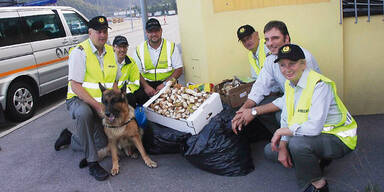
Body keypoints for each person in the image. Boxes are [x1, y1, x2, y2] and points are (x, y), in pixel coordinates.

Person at [264, 44, 357, 192]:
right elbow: (286, 117)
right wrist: (282, 145)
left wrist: (281, 132)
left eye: (292, 64)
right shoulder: (290, 84)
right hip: (313, 137)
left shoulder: (319, 85)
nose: (287, 69)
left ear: (303, 64)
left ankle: (317, 184)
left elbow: (314, 128)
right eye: (282, 65)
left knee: (297, 145)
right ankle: (314, 159)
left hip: (339, 137)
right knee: (271, 151)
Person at [54, 16, 118, 181]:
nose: (102, 35)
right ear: (90, 33)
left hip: (100, 103)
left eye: (105, 32)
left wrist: (116, 106)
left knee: (102, 145)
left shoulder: (111, 51)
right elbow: (75, 86)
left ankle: (70, 138)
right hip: (79, 100)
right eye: (98, 32)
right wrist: (98, 107)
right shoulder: (79, 52)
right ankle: (92, 163)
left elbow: (115, 83)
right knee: (84, 113)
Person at [231, 20, 321, 138]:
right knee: (259, 105)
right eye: (267, 39)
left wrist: (254, 111)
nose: (270, 43)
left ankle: (295, 142)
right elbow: (260, 86)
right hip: (288, 98)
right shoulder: (271, 59)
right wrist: (243, 110)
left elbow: (294, 98)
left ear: (287, 39)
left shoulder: (302, 58)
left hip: (309, 103)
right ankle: (281, 138)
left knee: (280, 115)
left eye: (275, 38)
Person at [134, 18, 183, 103]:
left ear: (161, 31)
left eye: (156, 31)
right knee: (137, 99)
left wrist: (165, 84)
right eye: (150, 31)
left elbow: (179, 70)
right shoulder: (139, 49)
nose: (154, 34)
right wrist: (146, 86)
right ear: (146, 33)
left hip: (167, 82)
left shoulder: (171, 46)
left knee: (173, 103)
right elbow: (136, 72)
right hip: (147, 84)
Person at [112, 35, 141, 108]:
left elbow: (135, 83)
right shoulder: (108, 62)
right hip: (111, 94)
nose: (122, 49)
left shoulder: (131, 62)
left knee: (136, 97)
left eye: (124, 47)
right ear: (114, 47)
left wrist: (123, 92)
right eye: (119, 47)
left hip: (124, 92)